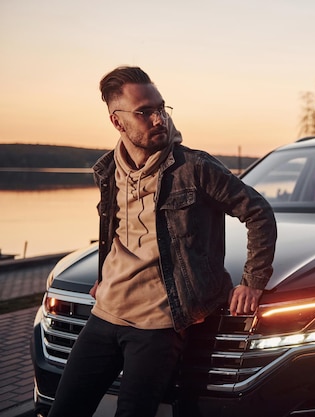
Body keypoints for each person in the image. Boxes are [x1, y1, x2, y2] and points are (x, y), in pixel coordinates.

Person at [48, 66, 277, 417]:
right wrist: (104, 275)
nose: (158, 120)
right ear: (117, 121)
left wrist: (253, 282)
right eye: (144, 112)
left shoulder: (194, 168)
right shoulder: (108, 170)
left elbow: (258, 211)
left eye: (161, 108)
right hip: (106, 314)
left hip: (159, 324)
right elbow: (115, 229)